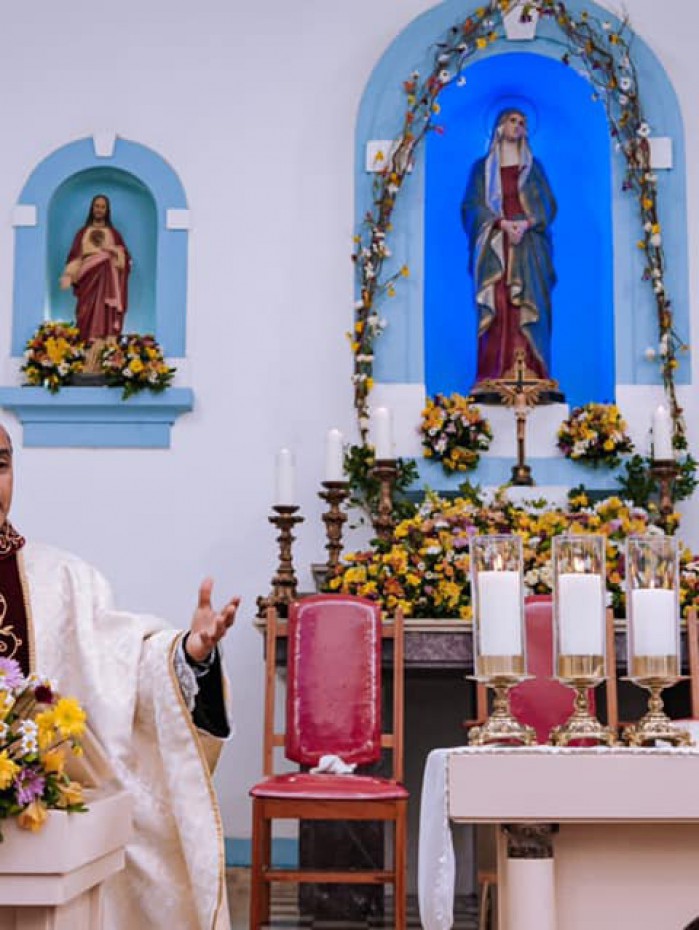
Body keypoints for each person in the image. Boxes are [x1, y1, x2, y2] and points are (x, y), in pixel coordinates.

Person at [0, 424, 237, 930]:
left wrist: (189, 657)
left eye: (0, 465)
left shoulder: (62, 581)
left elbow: (126, 670)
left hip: (35, 836)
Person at [461, 108, 557, 392]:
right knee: (500, 305)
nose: (519, 126)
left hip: (529, 246)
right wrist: (501, 223)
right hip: (495, 246)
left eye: (523, 123)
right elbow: (471, 207)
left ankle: (534, 374)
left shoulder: (534, 168)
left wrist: (526, 223)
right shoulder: (482, 169)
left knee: (528, 305)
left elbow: (549, 205)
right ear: (499, 127)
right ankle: (493, 374)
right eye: (513, 121)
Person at [59, 194, 131, 364]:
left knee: (106, 317)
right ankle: (85, 356)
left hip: (108, 283)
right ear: (92, 208)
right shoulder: (82, 233)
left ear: (107, 210)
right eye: (97, 206)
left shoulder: (114, 234)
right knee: (86, 315)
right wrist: (69, 274)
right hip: (88, 282)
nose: (99, 209)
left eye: (102, 207)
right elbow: (75, 257)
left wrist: (113, 252)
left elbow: (125, 262)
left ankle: (105, 356)